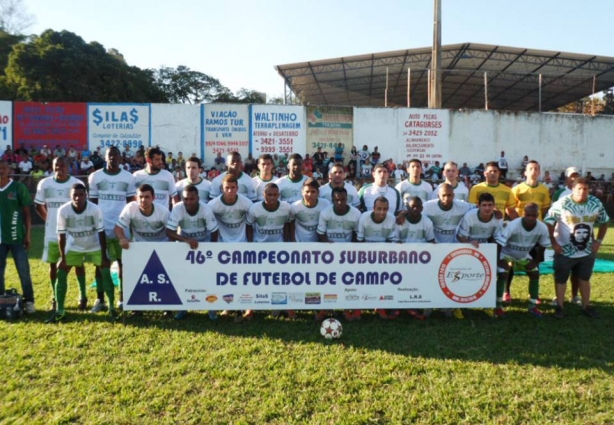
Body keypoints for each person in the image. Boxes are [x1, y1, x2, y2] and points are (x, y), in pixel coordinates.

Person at [47, 183, 116, 323]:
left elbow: (101, 232)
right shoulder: (63, 210)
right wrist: (63, 257)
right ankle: (60, 311)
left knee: (105, 271)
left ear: (86, 195)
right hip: (75, 245)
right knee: (61, 272)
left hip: (94, 244)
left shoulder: (95, 209)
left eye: (81, 194)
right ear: (70, 196)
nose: (78, 198)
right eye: (75, 195)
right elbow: (61, 236)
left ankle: (112, 309)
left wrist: (104, 256)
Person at [545, 177, 609, 319]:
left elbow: (604, 221)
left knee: (584, 278)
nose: (582, 192)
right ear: (572, 189)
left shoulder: (595, 203)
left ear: (589, 189)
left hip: (587, 250)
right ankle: (560, 306)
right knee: (561, 278)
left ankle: (586, 306)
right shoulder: (562, 203)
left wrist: (598, 241)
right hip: (564, 250)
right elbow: (549, 221)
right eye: (579, 188)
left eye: (585, 189)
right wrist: (554, 243)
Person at [35, 157, 88, 311]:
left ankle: (82, 296)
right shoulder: (45, 183)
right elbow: (38, 205)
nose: (60, 168)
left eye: (63, 166)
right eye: (56, 165)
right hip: (52, 232)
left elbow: (83, 206)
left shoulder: (77, 184)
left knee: (78, 263)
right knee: (53, 265)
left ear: (68, 167)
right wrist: (49, 219)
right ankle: (55, 298)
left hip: (74, 232)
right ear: (53, 167)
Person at [88, 146, 136, 313]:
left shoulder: (128, 178)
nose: (113, 158)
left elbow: (131, 203)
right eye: (110, 155)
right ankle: (100, 299)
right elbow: (92, 204)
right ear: (105, 157)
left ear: (121, 158)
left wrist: (128, 226)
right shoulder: (95, 176)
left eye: (116, 155)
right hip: (101, 228)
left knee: (123, 263)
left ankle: (123, 298)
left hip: (121, 228)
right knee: (100, 263)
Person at [166, 184, 219, 321]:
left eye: (191, 199)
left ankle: (212, 308)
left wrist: (210, 251)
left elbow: (214, 231)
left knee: (208, 278)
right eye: (185, 199)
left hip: (204, 244)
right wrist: (186, 240)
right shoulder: (178, 208)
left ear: (198, 198)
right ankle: (182, 308)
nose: (188, 202)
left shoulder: (205, 209)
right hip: (186, 245)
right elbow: (169, 231)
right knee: (184, 278)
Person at [422, 184, 473, 319]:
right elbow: (413, 212)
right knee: (431, 277)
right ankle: (428, 305)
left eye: (449, 195)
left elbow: (477, 209)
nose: (447, 198)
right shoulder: (428, 206)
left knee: (450, 278)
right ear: (438, 195)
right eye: (443, 195)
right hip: (433, 246)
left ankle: (447, 307)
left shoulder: (462, 206)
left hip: (452, 247)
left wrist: (495, 211)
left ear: (454, 195)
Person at [494, 203, 551, 318]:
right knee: (503, 273)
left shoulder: (542, 227)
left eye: (533, 215)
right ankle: (498, 306)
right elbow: (499, 243)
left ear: (537, 215)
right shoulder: (514, 225)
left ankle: (532, 306)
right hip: (507, 254)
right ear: (523, 214)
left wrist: (535, 261)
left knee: (535, 273)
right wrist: (498, 260)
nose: (530, 218)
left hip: (524, 256)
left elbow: (543, 245)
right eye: (528, 215)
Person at [0, 159, 35, 314]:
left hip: (16, 238)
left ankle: (29, 301)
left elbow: (27, 213)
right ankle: (1, 302)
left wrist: (27, 235)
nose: (1, 171)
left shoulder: (18, 187)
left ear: (9, 170)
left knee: (23, 271)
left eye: (3, 168)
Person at [357, 196, 399, 320]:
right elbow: (359, 241)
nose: (382, 212)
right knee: (361, 282)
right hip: (365, 255)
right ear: (373, 208)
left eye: (385, 209)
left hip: (383, 256)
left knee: (382, 282)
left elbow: (393, 242)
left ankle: (380, 306)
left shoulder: (391, 219)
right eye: (379, 208)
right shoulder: (364, 218)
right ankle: (358, 309)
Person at [208, 174, 252, 243]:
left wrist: (250, 243)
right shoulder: (212, 205)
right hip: (222, 243)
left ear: (237, 188)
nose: (230, 190)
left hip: (242, 242)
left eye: (232, 187)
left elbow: (250, 224)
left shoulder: (247, 203)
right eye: (227, 187)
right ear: (222, 189)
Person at [290, 178, 330, 243]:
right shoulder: (295, 206)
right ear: (302, 192)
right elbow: (291, 224)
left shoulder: (325, 204)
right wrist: (293, 240)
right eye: (307, 192)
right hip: (299, 243)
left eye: (313, 192)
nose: (310, 195)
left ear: (318, 192)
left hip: (318, 243)